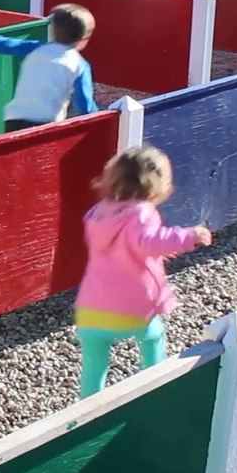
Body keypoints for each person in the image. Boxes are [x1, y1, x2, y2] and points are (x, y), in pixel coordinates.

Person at [75, 146, 212, 399]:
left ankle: (85, 411)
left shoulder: (97, 213)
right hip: (131, 306)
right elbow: (150, 242)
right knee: (153, 337)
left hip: (92, 306)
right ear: (156, 185)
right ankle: (153, 386)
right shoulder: (141, 213)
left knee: (94, 364)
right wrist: (189, 236)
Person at [0, 3, 97, 133]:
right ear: (83, 39)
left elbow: (3, 44)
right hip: (47, 124)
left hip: (14, 118)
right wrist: (98, 118)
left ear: (52, 31)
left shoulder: (34, 49)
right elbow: (84, 104)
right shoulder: (79, 64)